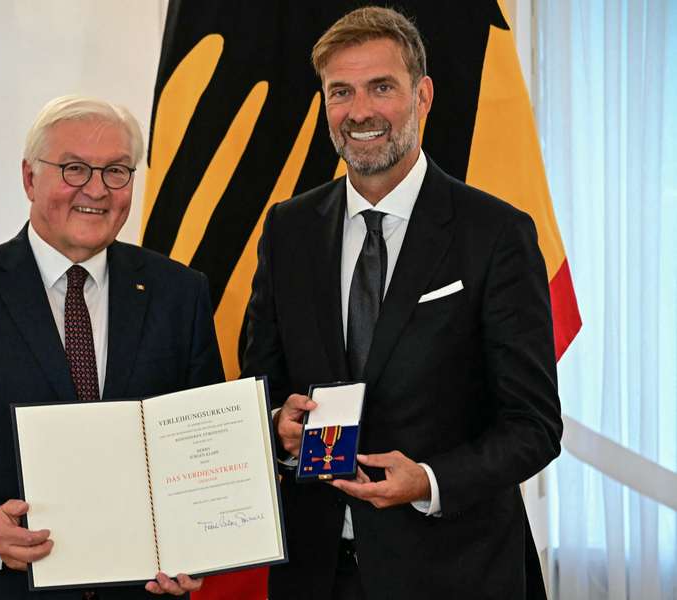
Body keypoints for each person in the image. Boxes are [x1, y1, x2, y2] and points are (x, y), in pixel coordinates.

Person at [241, 7, 562, 600]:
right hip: (315, 574)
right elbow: (261, 387)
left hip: (456, 574)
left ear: (423, 96)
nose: (360, 111)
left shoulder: (494, 233)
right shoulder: (287, 231)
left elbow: (534, 426)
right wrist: (275, 429)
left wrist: (429, 481)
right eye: (341, 91)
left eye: (381, 87)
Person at [0, 95, 224, 600]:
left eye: (116, 172)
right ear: (29, 178)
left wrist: (198, 548)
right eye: (75, 168)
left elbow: (202, 447)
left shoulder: (180, 293)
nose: (97, 190)